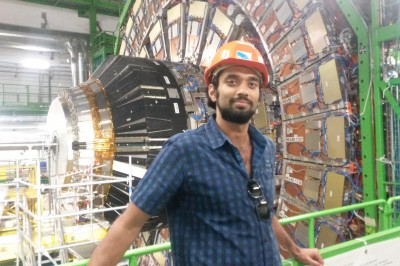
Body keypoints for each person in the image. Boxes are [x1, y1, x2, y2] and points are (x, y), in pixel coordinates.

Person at [89, 41, 324, 266]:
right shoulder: (183, 151)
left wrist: (294, 249)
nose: (243, 90)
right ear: (212, 91)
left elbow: (261, 210)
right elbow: (129, 225)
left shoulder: (266, 148)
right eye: (232, 81)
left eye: (252, 84)